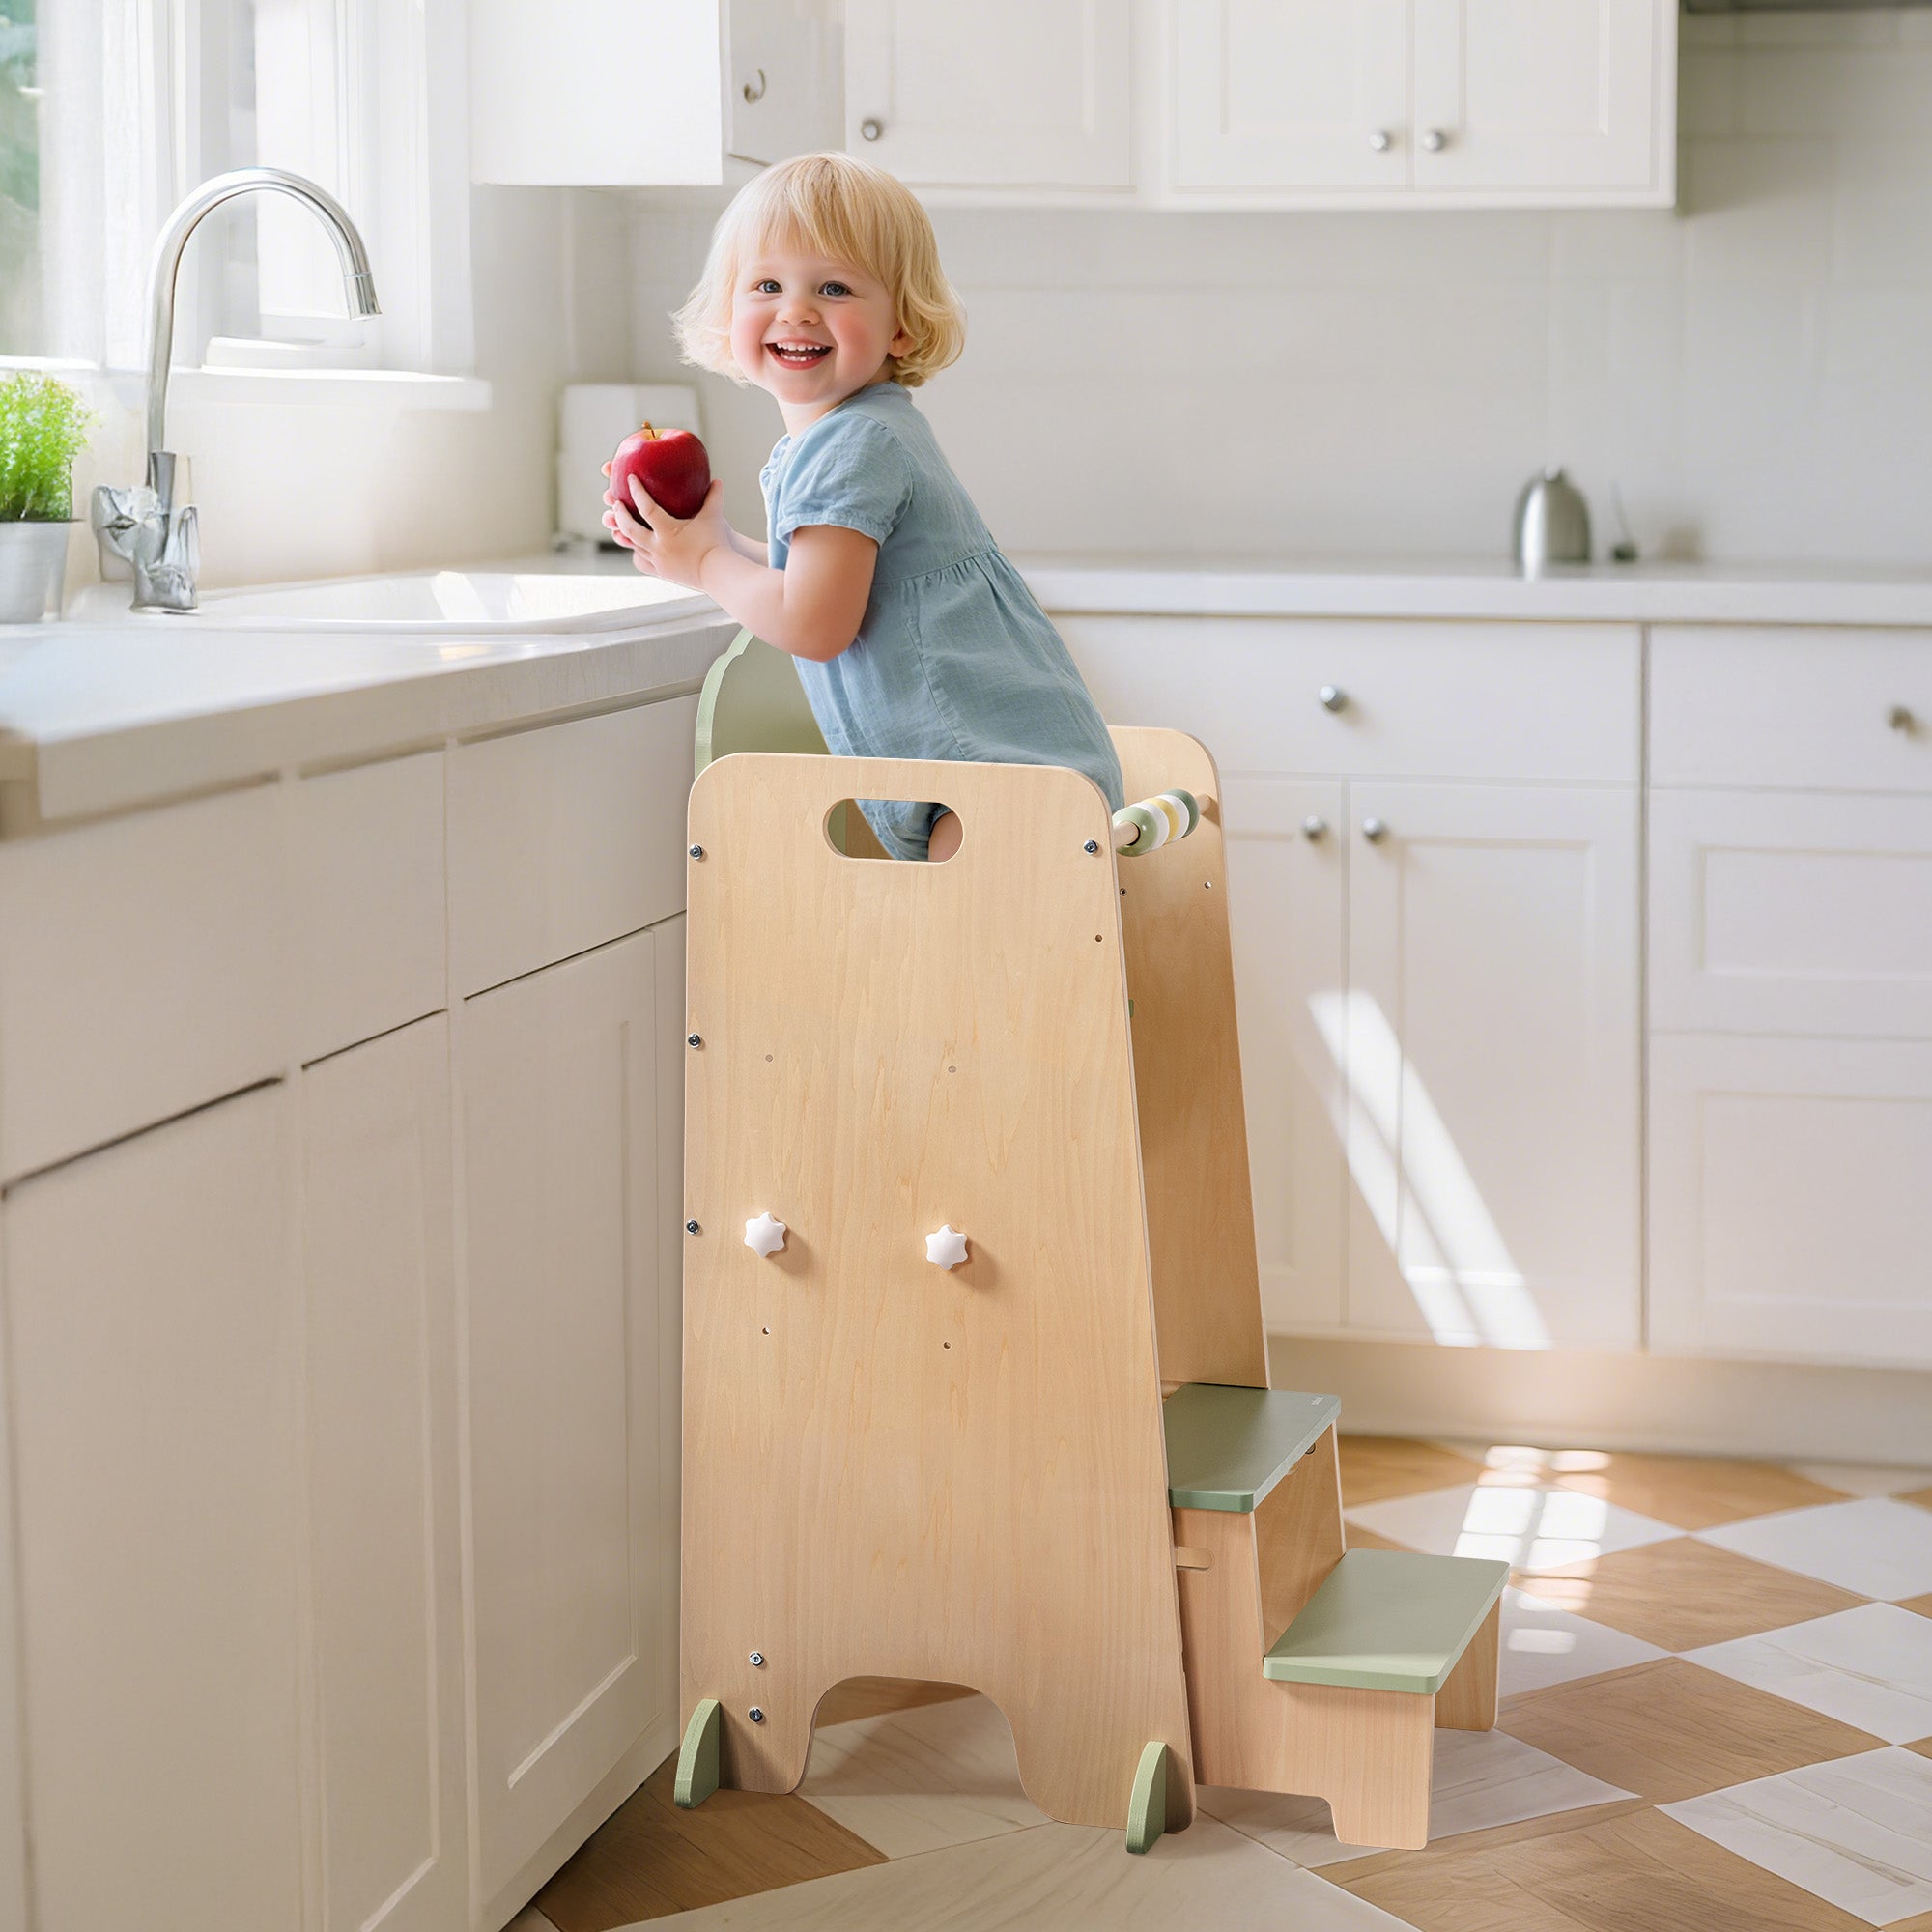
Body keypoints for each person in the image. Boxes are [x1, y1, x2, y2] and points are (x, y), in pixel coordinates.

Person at [604, 151, 1123, 863]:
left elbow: (813, 621)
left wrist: (704, 565)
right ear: (730, 313)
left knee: (976, 974)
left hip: (988, 789)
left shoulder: (851, 445)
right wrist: (719, 544)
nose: (796, 309)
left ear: (901, 325)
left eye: (836, 287)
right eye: (766, 284)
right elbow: (831, 580)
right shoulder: (863, 431)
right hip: (1013, 780)